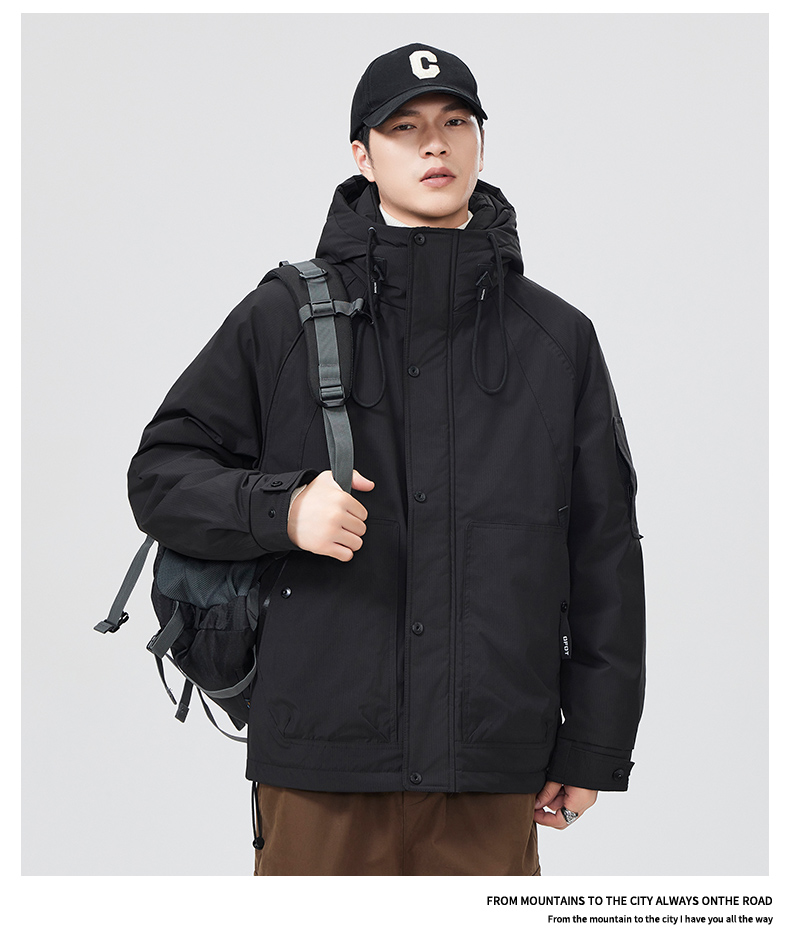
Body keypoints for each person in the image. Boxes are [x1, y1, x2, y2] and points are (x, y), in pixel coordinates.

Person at [127, 43, 646, 876]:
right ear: (363, 157)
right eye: (404, 128)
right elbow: (159, 474)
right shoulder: (280, 318)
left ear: (481, 144)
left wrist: (594, 743)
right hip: (320, 767)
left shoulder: (558, 341)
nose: (434, 143)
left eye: (455, 123)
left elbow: (605, 552)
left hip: (490, 766)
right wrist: (284, 509)